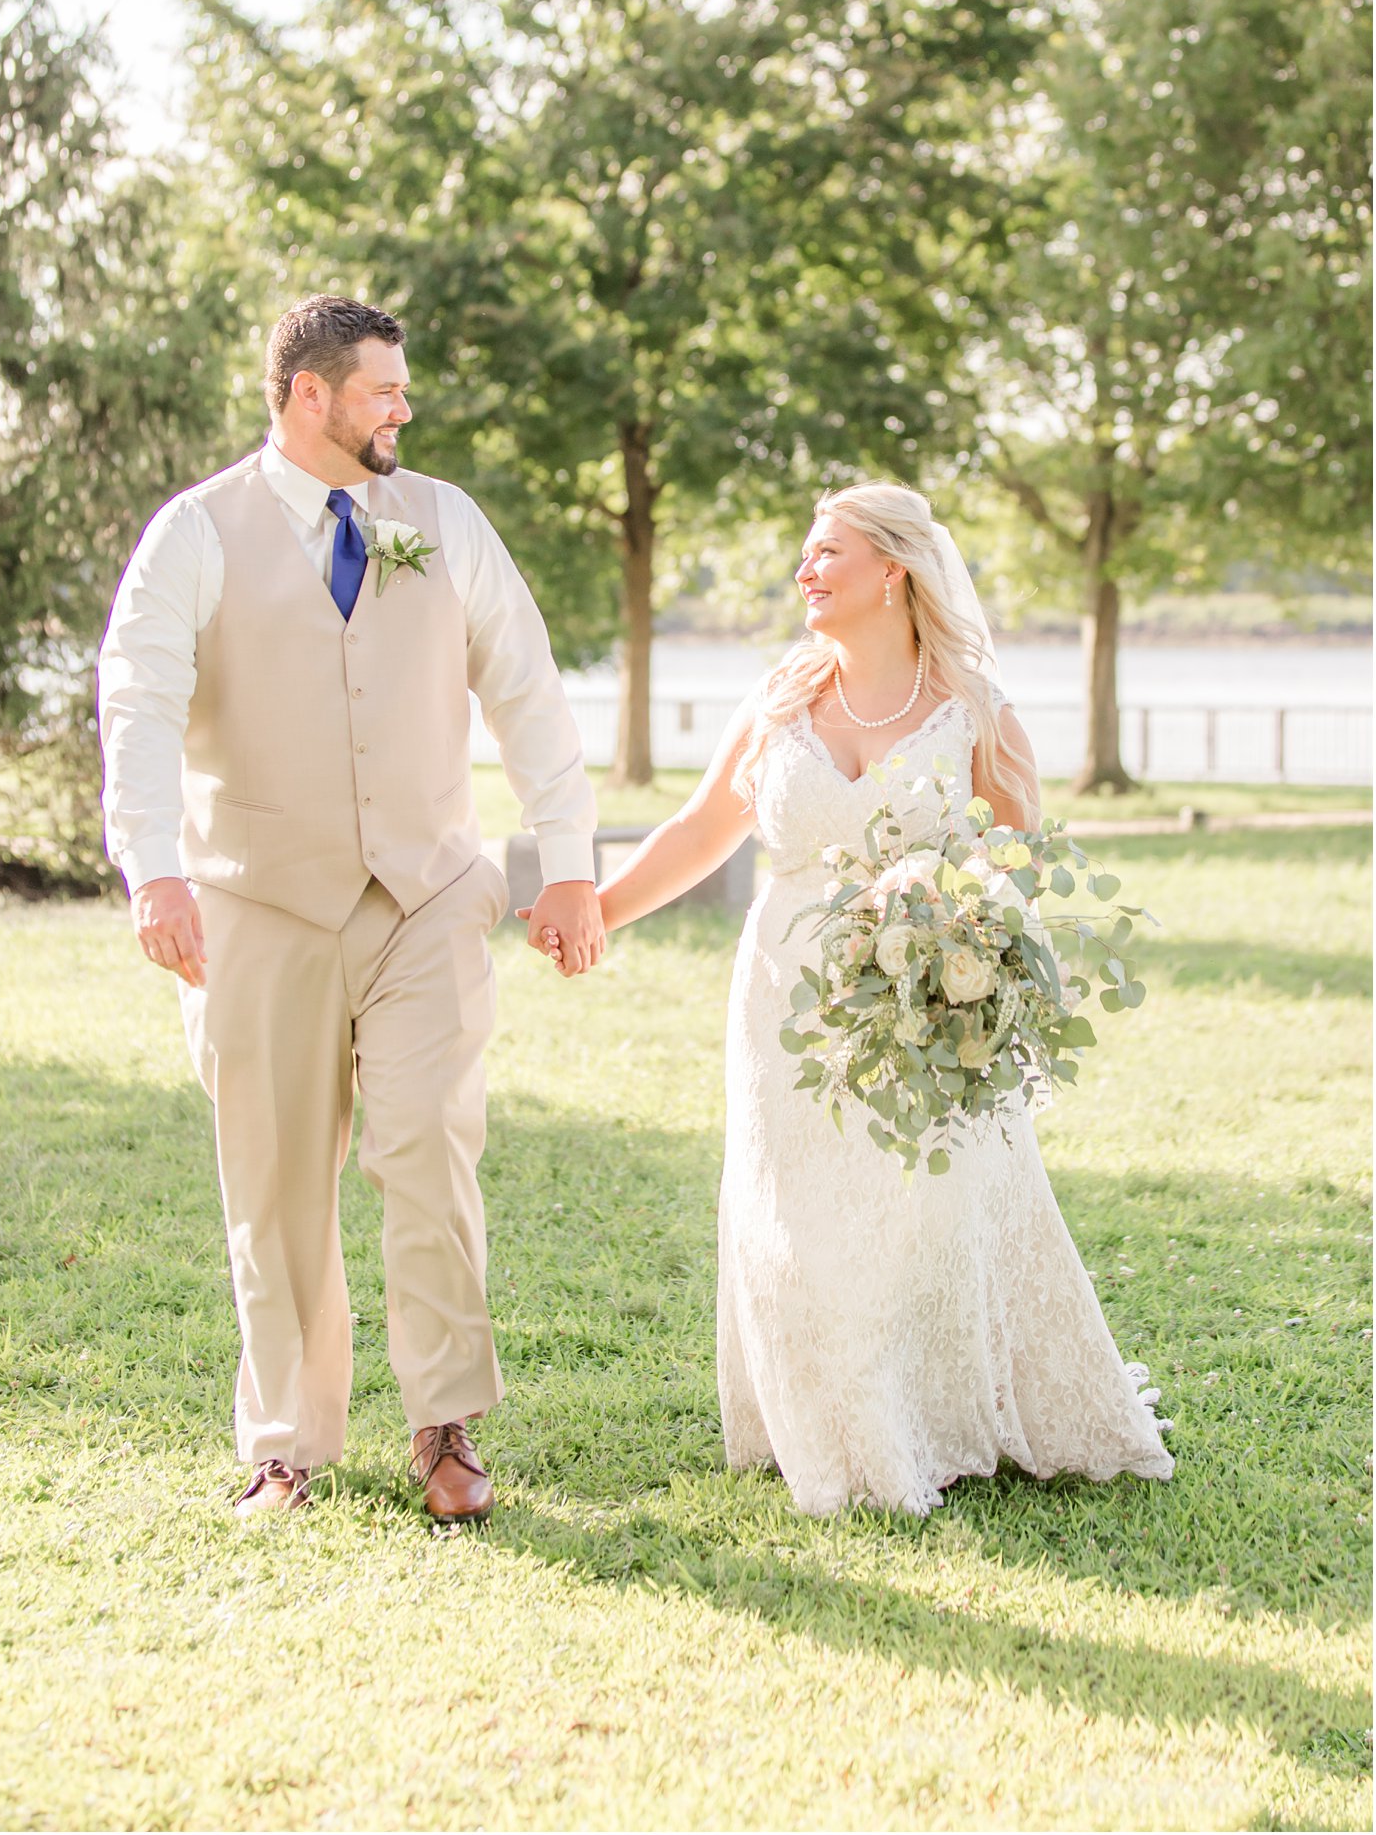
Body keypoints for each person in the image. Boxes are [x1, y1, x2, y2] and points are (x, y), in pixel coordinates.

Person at [98, 294, 603, 1523]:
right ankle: (285, 1446)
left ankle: (445, 1428)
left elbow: (526, 689)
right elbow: (140, 704)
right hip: (257, 902)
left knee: (429, 1143)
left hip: (428, 892)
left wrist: (569, 861)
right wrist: (152, 869)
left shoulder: (444, 521)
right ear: (308, 396)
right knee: (272, 1181)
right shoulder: (195, 533)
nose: (404, 408)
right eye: (384, 388)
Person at [582, 482, 1174, 1517]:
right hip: (785, 1000)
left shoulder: (972, 713)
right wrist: (594, 913)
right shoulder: (777, 700)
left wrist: (960, 923)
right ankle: (836, 1423)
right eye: (805, 555)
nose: (804, 572)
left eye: (826, 554)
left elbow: (1019, 860)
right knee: (794, 1212)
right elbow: (693, 832)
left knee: (924, 1211)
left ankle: (933, 1411)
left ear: (892, 571)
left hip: (925, 995)